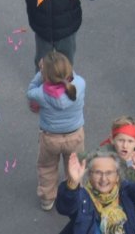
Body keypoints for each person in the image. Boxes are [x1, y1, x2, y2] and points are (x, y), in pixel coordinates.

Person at [28, 52, 86, 212]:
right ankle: (75, 194)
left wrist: (40, 73)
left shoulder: (41, 94)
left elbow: (30, 90)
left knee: (47, 167)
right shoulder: (80, 85)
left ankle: (47, 199)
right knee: (74, 166)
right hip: (75, 135)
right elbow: (73, 76)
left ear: (46, 75)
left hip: (50, 138)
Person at [56, 150, 135, 234]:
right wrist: (73, 184)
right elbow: (64, 207)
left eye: (109, 173)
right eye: (98, 173)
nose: (104, 179)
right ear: (89, 177)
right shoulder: (82, 196)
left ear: (118, 177)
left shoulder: (125, 191)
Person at [96, 117, 135, 230]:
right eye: (121, 140)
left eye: (130, 141)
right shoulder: (103, 158)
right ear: (112, 139)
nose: (125, 145)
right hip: (108, 209)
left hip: (134, 211)